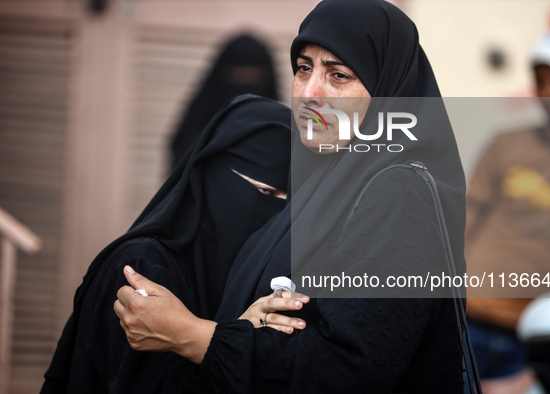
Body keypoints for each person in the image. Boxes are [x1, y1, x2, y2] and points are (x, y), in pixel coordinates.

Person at [115, 0, 470, 392]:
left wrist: (191, 335)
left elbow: (349, 369)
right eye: (303, 68)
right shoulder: (323, 182)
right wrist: (244, 327)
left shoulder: (399, 195)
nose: (309, 93)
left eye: (339, 75)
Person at [41, 95, 296, 393]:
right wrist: (231, 344)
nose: (274, 215)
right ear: (212, 176)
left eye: (287, 204)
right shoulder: (142, 267)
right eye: (265, 191)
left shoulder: (256, 279)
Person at [465, 27, 550, 393]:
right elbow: (464, 223)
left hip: (541, 335)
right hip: (467, 318)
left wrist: (542, 369)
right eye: (542, 80)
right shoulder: (505, 143)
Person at [170, 34, 279, 169]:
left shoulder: (282, 139)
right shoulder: (193, 139)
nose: (245, 89)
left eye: (253, 77)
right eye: (236, 76)